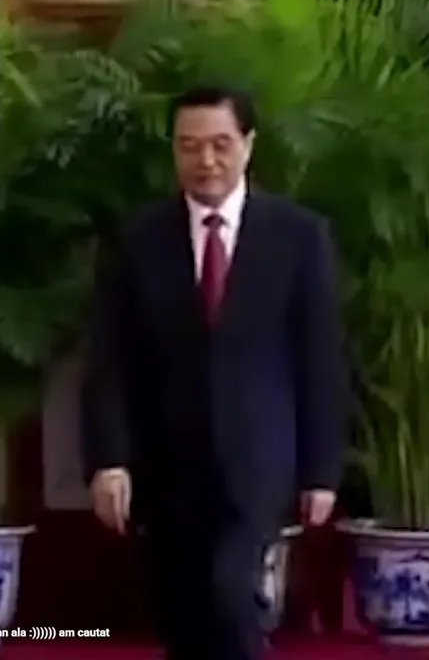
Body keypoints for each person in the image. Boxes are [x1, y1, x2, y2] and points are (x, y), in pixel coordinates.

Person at [79, 86, 350, 660]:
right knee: (183, 619)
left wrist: (323, 470)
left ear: (248, 145)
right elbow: (109, 359)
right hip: (167, 466)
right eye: (189, 146)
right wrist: (109, 459)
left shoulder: (298, 236)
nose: (206, 161)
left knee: (234, 599)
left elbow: (321, 356)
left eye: (221, 145)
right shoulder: (139, 238)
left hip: (259, 463)